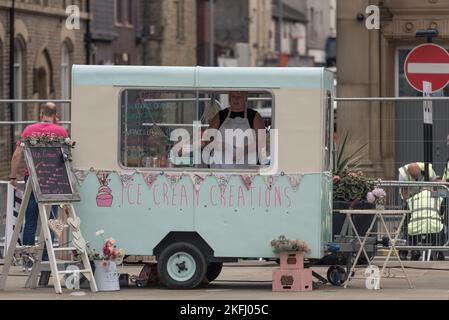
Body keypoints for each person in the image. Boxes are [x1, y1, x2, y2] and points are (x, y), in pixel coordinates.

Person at [9, 102, 69, 263]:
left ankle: (29, 258)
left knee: (31, 217)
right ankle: (46, 256)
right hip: (54, 181)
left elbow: (17, 155)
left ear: (41, 114)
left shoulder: (29, 130)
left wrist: (13, 177)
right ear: (55, 116)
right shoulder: (61, 131)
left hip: (33, 179)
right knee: (51, 219)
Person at [207, 91, 266, 168]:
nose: (236, 99)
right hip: (220, 167)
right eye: (233, 97)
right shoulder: (220, 115)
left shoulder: (254, 116)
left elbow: (262, 142)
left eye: (239, 97)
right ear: (229, 99)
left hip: (247, 167)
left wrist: (244, 149)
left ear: (245, 98)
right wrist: (222, 146)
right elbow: (209, 139)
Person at [407, 188, 445, 261]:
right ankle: (438, 250)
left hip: (416, 227)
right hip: (433, 226)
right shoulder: (438, 197)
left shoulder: (412, 198)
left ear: (420, 189)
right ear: (431, 189)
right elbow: (442, 212)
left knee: (408, 228)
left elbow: (408, 214)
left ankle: (414, 250)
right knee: (441, 229)